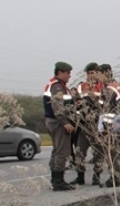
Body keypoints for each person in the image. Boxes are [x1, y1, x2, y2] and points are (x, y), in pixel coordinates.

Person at [43, 61, 77, 191]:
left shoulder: (56, 84)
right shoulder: (57, 86)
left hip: (52, 121)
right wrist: (65, 122)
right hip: (58, 122)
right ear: (60, 72)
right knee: (62, 151)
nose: (69, 75)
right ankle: (58, 181)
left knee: (57, 150)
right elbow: (57, 106)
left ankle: (55, 179)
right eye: (68, 73)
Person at [70, 62, 103, 185]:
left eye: (93, 73)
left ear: (98, 73)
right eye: (88, 73)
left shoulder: (103, 87)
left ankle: (97, 176)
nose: (90, 75)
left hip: (98, 126)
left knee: (99, 153)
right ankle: (80, 176)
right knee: (79, 152)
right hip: (84, 126)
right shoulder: (81, 87)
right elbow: (75, 101)